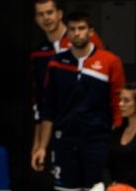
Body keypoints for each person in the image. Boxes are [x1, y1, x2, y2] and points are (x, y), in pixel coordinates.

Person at [31, 11, 125, 191]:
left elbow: (118, 106)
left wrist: (118, 143)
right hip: (64, 143)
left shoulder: (109, 62)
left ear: (91, 30)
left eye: (82, 28)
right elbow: (48, 109)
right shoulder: (56, 63)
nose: (77, 33)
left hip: (98, 143)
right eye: (72, 29)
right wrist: (41, 146)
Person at [30, 0, 104, 154]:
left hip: (88, 127)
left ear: (59, 14)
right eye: (41, 14)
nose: (46, 18)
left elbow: (102, 79)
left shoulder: (84, 38)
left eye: (50, 12)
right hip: (55, 128)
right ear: (36, 19)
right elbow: (41, 99)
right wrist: (37, 143)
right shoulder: (38, 53)